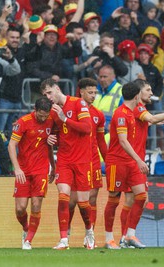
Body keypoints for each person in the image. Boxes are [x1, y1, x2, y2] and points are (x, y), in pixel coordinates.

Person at [111, 79, 164, 249]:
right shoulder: (134, 109)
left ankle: (127, 237)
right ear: (138, 93)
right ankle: (125, 236)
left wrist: (155, 119)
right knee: (134, 198)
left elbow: (150, 119)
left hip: (135, 160)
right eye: (148, 90)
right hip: (125, 161)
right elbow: (151, 119)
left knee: (136, 199)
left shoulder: (139, 109)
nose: (151, 93)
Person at [41, 78, 94, 250]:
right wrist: (49, 138)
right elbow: (55, 133)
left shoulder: (78, 103)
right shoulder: (53, 111)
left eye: (49, 92)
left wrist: (65, 118)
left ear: (57, 88)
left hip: (83, 160)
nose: (47, 97)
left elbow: (87, 129)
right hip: (64, 159)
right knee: (63, 196)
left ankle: (89, 231)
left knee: (83, 203)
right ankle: (64, 239)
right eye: (44, 95)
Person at [104, 82, 148, 249]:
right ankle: (109, 239)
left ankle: (130, 235)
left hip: (131, 162)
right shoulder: (120, 114)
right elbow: (123, 141)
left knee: (141, 196)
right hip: (117, 162)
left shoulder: (131, 113)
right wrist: (139, 160)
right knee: (114, 199)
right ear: (137, 96)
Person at [8, 97, 55, 250]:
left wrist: (53, 168)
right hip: (23, 169)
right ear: (35, 110)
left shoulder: (51, 120)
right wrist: (17, 168)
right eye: (40, 114)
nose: (43, 118)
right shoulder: (23, 122)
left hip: (41, 170)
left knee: (36, 205)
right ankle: (25, 228)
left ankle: (28, 240)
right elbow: (11, 145)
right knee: (20, 208)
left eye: (45, 115)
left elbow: (49, 147)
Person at [68, 78, 107, 238]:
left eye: (95, 93)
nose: (93, 96)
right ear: (81, 92)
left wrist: (109, 162)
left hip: (93, 161)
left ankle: (89, 233)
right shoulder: (72, 109)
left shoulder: (98, 114)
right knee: (71, 201)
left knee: (92, 198)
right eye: (90, 92)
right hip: (75, 160)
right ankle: (66, 233)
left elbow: (101, 141)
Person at [93, 65, 124, 129]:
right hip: (93, 129)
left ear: (113, 77)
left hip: (110, 132)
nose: (102, 79)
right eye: (100, 77)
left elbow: (125, 114)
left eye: (105, 77)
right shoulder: (94, 90)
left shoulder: (121, 91)